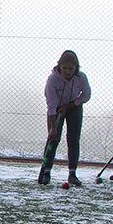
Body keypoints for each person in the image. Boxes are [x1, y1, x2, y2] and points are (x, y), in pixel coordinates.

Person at [41, 50, 91, 186]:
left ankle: (72, 174)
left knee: (73, 139)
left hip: (74, 107)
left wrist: (69, 106)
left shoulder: (81, 77)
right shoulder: (52, 79)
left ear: (76, 68)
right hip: (56, 109)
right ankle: (46, 172)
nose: (67, 72)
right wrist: (53, 127)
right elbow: (51, 103)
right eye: (65, 68)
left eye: (71, 68)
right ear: (60, 66)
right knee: (53, 139)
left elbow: (86, 95)